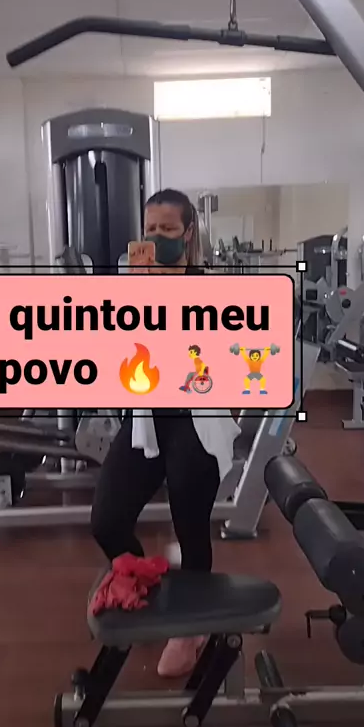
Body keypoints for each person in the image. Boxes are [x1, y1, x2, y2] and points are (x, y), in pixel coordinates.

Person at [91, 189, 241, 679]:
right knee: (107, 520)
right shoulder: (133, 284)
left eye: (168, 230)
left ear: (188, 234)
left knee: (190, 527)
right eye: (150, 230)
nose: (157, 239)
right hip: (147, 419)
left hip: (195, 420)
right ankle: (145, 583)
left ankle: (191, 629)